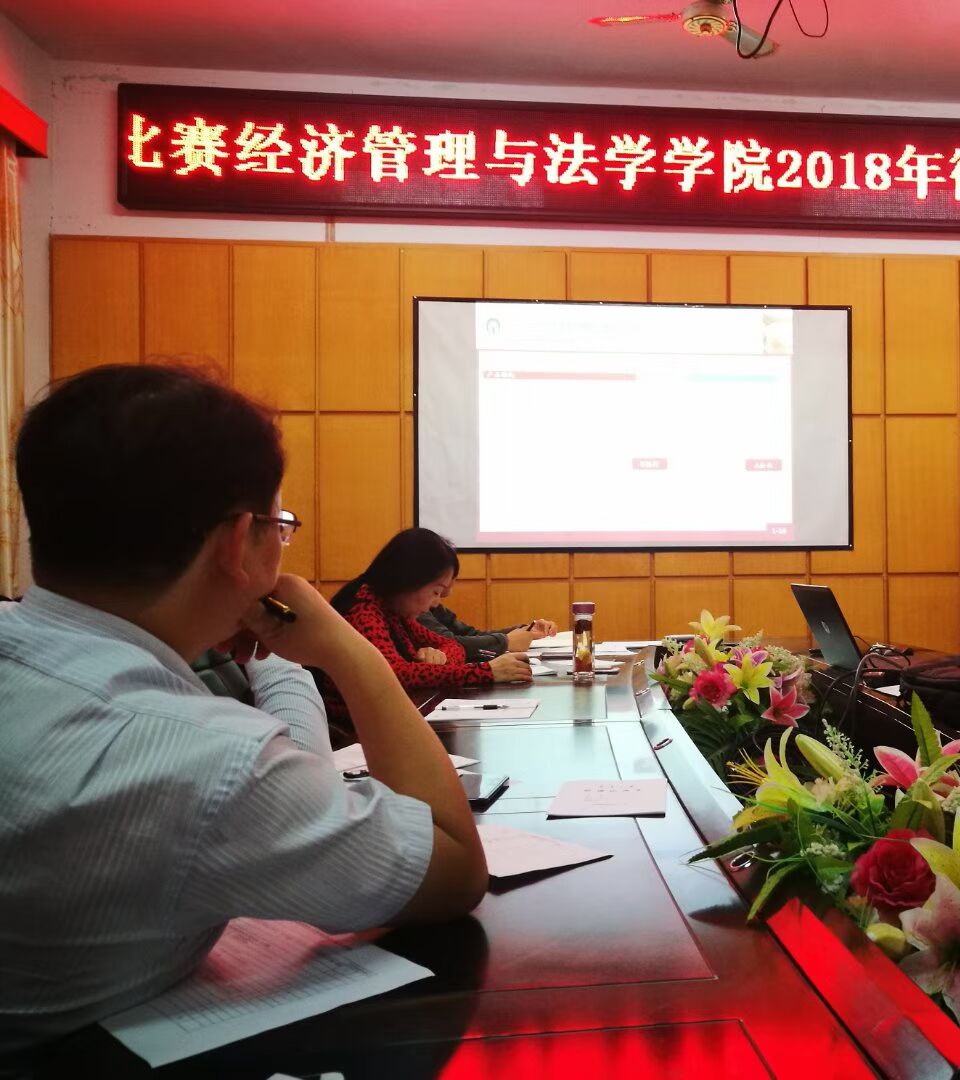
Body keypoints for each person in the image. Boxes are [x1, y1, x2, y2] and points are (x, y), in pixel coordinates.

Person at [0, 365, 487, 1053]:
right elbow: (455, 869)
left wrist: (277, 657)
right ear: (236, 544)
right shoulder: (199, 757)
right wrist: (349, 654)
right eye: (278, 527)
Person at [325, 529, 533, 729]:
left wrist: (439, 657)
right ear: (409, 579)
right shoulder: (363, 609)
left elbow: (453, 646)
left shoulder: (392, 609)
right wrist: (485, 672)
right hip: (357, 732)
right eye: (435, 592)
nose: (436, 603)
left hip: (390, 720)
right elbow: (396, 675)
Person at [418, 593, 557, 661]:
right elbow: (448, 643)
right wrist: (505, 642)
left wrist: (524, 630)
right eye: (436, 591)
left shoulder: (429, 603)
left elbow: (469, 634)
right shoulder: (416, 609)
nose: (436, 602)